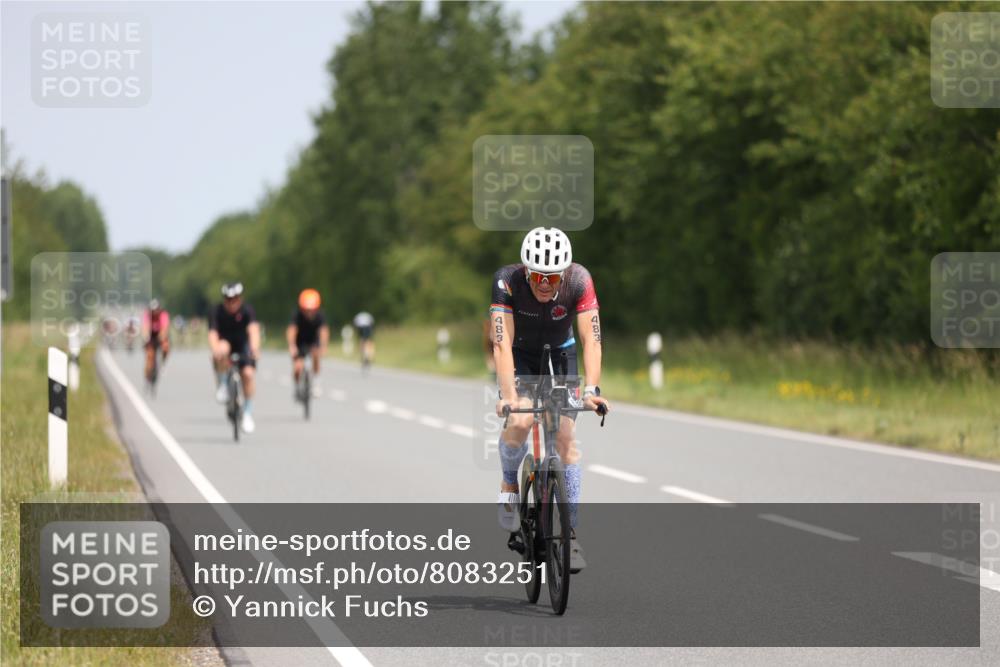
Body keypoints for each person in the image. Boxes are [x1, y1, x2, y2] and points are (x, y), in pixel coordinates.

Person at [490, 227, 610, 572]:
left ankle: (569, 535)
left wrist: (592, 391)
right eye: (538, 276)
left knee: (566, 440)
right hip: (520, 354)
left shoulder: (579, 280)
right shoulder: (507, 280)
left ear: (564, 274)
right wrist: (509, 397)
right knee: (522, 419)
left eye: (553, 277)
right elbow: (501, 343)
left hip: (561, 356)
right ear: (526, 271)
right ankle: (510, 484)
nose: (545, 284)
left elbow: (592, 339)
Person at [208, 282, 261, 433]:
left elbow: (253, 330)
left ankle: (248, 413)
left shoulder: (247, 310)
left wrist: (255, 348)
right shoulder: (216, 311)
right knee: (222, 348)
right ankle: (224, 384)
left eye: (235, 299)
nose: (232, 303)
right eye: (228, 299)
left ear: (240, 298)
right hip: (225, 343)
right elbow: (212, 334)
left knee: (248, 374)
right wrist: (215, 349)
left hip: (243, 344)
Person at [287, 288, 330, 397]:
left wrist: (324, 346)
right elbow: (292, 330)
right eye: (306, 309)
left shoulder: (320, 316)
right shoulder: (296, 315)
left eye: (312, 309)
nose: (309, 312)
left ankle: (316, 382)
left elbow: (323, 331)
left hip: (313, 340)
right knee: (298, 367)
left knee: (316, 355)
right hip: (300, 341)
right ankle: (297, 387)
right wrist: (292, 346)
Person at [142, 299, 170, 382]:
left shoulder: (163, 314)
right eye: (152, 311)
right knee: (150, 353)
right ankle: (148, 371)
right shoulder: (147, 315)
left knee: (165, 347)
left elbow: (165, 328)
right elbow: (145, 327)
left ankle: (163, 363)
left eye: (156, 310)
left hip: (160, 334)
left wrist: (161, 338)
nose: (154, 312)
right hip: (150, 335)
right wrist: (146, 337)